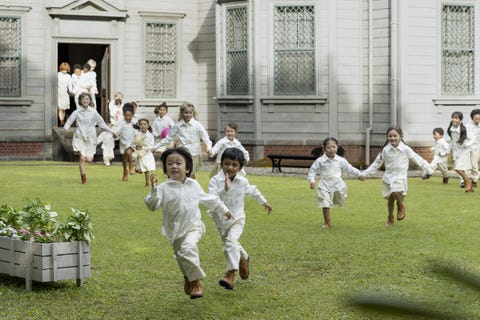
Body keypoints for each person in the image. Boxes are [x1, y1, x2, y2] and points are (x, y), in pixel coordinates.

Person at [144, 147, 233, 299]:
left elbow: (209, 199)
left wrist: (224, 210)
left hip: (193, 226)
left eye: (178, 163)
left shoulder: (193, 185)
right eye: (170, 163)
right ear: (165, 169)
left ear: (188, 168)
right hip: (174, 231)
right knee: (181, 257)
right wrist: (153, 191)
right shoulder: (162, 188)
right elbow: (152, 206)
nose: (174, 166)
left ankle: (196, 282)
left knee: (188, 248)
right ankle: (188, 278)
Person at [208, 148, 272, 290]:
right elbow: (211, 199)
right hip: (221, 221)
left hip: (237, 219)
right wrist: (224, 189)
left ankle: (230, 275)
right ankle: (244, 258)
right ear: (221, 164)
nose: (230, 167)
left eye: (234, 165)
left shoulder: (242, 181)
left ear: (240, 168)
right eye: (227, 164)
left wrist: (264, 202)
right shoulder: (215, 180)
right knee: (231, 243)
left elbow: (252, 190)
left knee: (230, 243)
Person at [360, 126, 434, 227]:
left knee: (395, 190)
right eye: (390, 136)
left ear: (400, 136)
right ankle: (390, 217)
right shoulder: (385, 150)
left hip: (400, 177)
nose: (393, 138)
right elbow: (376, 163)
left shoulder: (406, 149)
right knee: (390, 199)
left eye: (395, 136)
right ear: (387, 137)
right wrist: (365, 174)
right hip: (388, 177)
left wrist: (429, 170)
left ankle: (401, 206)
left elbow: (418, 159)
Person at [308, 137, 362, 229]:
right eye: (329, 148)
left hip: (337, 186)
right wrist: (312, 181)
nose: (331, 149)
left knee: (339, 201)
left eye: (333, 147)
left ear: (337, 147)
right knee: (325, 203)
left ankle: (338, 199)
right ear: (324, 149)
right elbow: (312, 171)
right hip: (324, 186)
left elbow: (349, 168)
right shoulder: (320, 161)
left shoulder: (340, 160)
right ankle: (327, 222)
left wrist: (359, 174)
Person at [63, 92, 114, 184]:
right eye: (83, 99)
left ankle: (84, 169)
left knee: (89, 159)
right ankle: (83, 177)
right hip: (80, 136)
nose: (85, 101)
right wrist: (65, 129)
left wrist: (112, 131)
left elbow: (102, 124)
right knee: (82, 158)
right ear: (80, 101)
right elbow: (69, 121)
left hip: (91, 137)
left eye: (87, 99)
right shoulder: (77, 112)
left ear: (90, 101)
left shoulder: (94, 112)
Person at [152, 102, 212, 179]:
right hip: (182, 153)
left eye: (190, 113)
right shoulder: (178, 126)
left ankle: (193, 189)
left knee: (191, 174)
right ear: (182, 113)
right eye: (186, 113)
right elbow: (168, 138)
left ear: (193, 113)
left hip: (194, 153)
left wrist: (209, 148)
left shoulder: (197, 125)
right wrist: (155, 147)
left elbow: (205, 137)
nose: (188, 115)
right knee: (183, 174)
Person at [447, 111, 476, 192]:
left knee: (457, 168)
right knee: (460, 169)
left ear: (460, 120)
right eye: (453, 117)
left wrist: (467, 144)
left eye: (456, 118)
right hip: (456, 152)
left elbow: (473, 138)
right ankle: (469, 188)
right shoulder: (451, 129)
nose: (454, 120)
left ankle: (468, 182)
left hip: (464, 151)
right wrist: (448, 150)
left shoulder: (464, 129)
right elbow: (452, 141)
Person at [113, 103, 137, 181]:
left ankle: (131, 166)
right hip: (123, 142)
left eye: (129, 115)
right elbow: (117, 130)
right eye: (126, 115)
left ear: (133, 114)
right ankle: (125, 172)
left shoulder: (135, 120)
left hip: (132, 143)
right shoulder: (121, 121)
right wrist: (115, 134)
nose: (128, 117)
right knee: (124, 159)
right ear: (123, 114)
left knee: (129, 152)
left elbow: (140, 128)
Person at [134, 118, 156, 187]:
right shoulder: (137, 134)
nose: (143, 126)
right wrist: (136, 147)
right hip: (139, 154)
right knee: (140, 168)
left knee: (147, 169)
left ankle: (148, 182)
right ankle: (139, 170)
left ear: (148, 126)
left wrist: (143, 148)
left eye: (144, 124)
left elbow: (151, 146)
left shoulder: (150, 136)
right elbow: (134, 143)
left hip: (147, 154)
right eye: (141, 124)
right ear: (139, 126)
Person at [467, 109, 480, 187]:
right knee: (465, 165)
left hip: (476, 148)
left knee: (474, 165)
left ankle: (474, 181)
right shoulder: (467, 126)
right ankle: (463, 181)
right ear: (472, 118)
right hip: (467, 148)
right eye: (476, 119)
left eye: (479, 119)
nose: (477, 121)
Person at [57, 62, 72, 126]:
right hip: (58, 93)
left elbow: (70, 85)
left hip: (65, 94)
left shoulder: (68, 76)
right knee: (60, 108)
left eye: (66, 70)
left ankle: (62, 120)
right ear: (61, 69)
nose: (64, 71)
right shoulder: (58, 74)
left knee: (64, 109)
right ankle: (61, 122)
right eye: (63, 69)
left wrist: (71, 91)